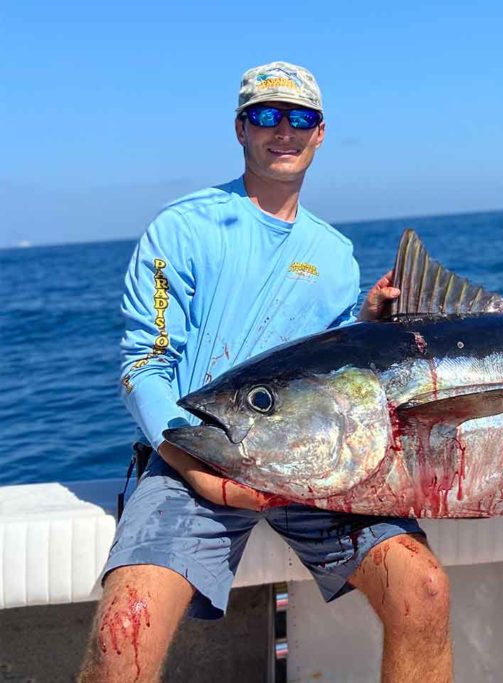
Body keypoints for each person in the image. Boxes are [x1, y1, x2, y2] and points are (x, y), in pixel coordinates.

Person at [79, 62, 452, 682]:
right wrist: (204, 473)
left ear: (321, 133)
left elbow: (327, 371)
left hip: (313, 468)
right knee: (128, 626)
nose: (284, 131)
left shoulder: (334, 254)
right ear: (240, 128)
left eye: (300, 118)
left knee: (424, 593)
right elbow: (145, 363)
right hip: (193, 458)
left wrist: (364, 323)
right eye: (266, 116)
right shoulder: (183, 226)